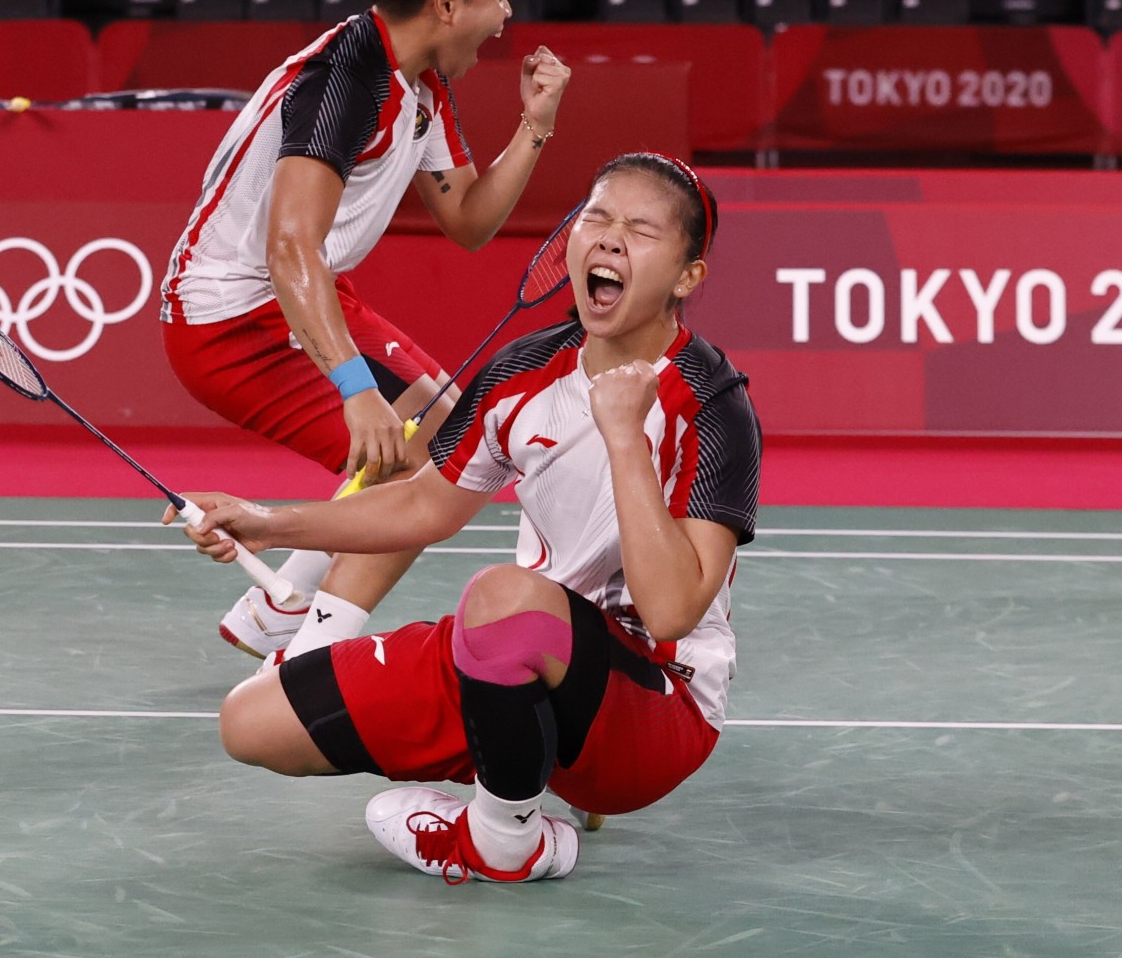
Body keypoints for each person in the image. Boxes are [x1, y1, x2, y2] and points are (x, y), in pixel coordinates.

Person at [170, 154, 761, 883]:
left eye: (640, 230)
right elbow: (426, 503)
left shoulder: (713, 402)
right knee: (250, 723)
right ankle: (526, 755)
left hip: (655, 711)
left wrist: (622, 436)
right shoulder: (524, 372)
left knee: (502, 594)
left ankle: (505, 842)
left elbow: (671, 609)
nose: (608, 240)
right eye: (597, 219)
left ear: (686, 276)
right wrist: (267, 523)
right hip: (525, 652)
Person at [158, 0, 572, 662]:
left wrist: (536, 123)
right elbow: (289, 247)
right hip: (230, 321)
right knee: (431, 471)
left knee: (452, 431)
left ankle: (276, 619)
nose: (508, 14)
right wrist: (356, 389)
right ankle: (310, 656)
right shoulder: (347, 79)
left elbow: (471, 222)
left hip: (306, 294)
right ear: (448, 2)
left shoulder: (420, 83)